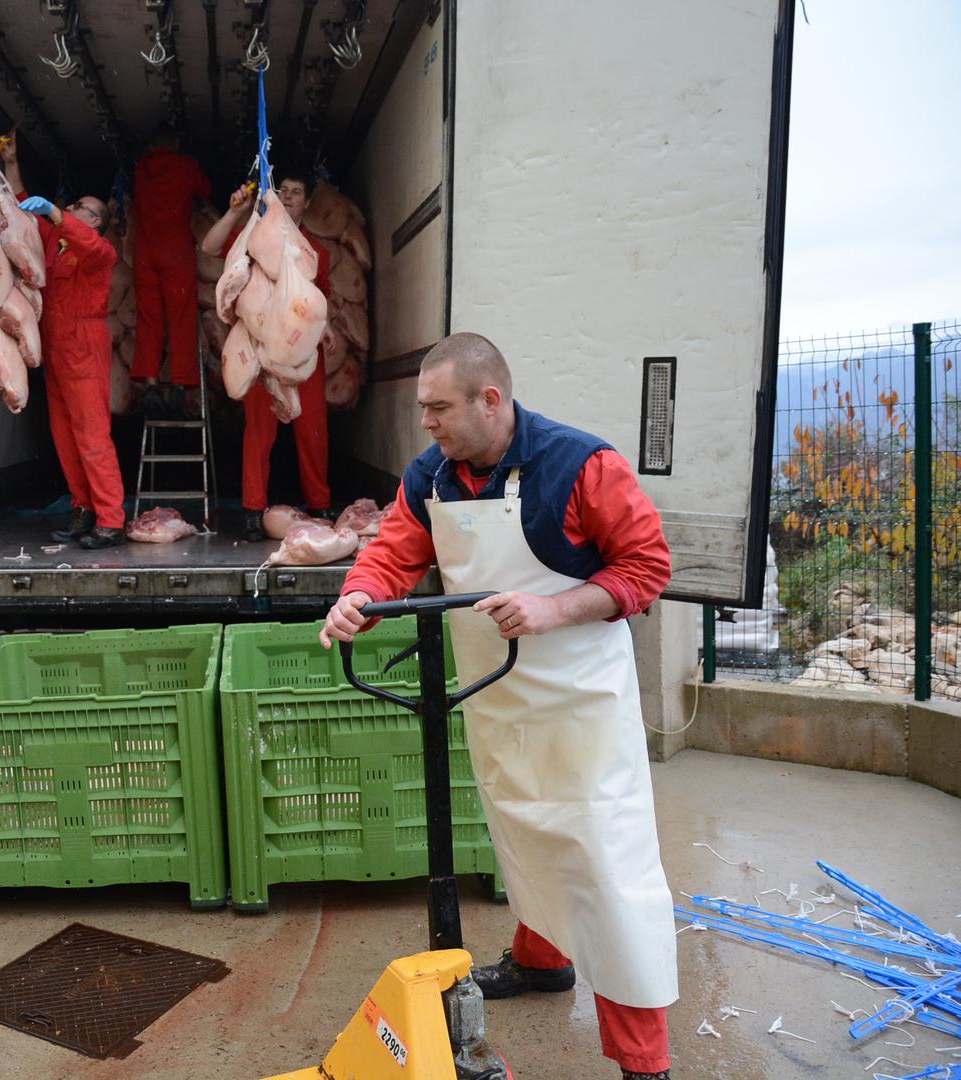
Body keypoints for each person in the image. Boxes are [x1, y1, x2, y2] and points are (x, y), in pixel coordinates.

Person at [318, 333, 678, 1080]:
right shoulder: (431, 476)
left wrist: (553, 611)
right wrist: (357, 596)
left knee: (607, 869)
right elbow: (394, 551)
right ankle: (539, 962)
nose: (426, 423)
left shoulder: (582, 465)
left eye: (438, 407)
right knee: (519, 830)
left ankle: (645, 1062)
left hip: (580, 704)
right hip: (495, 695)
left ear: (491, 400)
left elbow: (646, 567)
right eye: (422, 408)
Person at [1, 135, 126, 549]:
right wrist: (12, 161)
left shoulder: (99, 250)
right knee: (65, 437)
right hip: (55, 349)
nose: (69, 210)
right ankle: (83, 509)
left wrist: (56, 212)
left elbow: (79, 237)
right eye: (68, 206)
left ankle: (111, 519)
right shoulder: (55, 241)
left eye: (78, 208)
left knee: (92, 436)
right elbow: (22, 211)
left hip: (84, 345)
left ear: (94, 220)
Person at [200, 168, 332, 541]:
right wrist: (235, 212)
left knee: (313, 431)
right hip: (259, 350)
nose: (288, 196)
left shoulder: (316, 252)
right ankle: (253, 512)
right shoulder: (254, 241)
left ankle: (319, 506)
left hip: (302, 351)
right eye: (283, 190)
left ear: (307, 201)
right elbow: (209, 248)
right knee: (259, 433)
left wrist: (330, 330)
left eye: (295, 191)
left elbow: (321, 303)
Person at [130, 124, 212, 418]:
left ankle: (151, 385)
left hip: (144, 249)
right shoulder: (186, 166)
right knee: (181, 316)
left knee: (149, 317)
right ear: (176, 142)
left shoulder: (141, 169)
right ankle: (179, 385)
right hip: (175, 248)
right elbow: (206, 189)